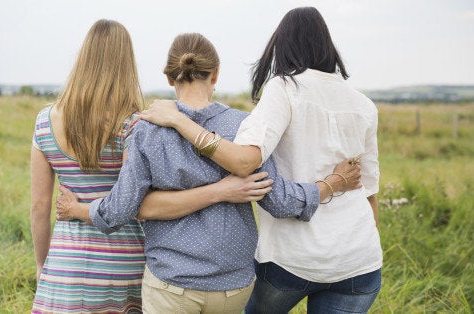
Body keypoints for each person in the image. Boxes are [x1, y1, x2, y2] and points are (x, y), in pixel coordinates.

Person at [56, 32, 362, 314]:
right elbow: (280, 201)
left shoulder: (146, 129)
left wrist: (78, 209)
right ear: (215, 74)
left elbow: (121, 209)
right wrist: (331, 184)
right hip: (233, 286)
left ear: (168, 76)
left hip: (170, 283)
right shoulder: (245, 126)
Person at [142, 7, 382, 313]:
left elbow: (244, 162)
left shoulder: (285, 87)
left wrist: (180, 121)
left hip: (293, 258)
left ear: (281, 46)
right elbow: (370, 193)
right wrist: (357, 243)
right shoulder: (364, 104)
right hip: (359, 261)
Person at [30, 19, 147, 313]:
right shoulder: (132, 124)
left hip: (65, 265)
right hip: (126, 264)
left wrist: (43, 264)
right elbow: (136, 202)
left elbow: (39, 207)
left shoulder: (45, 121)